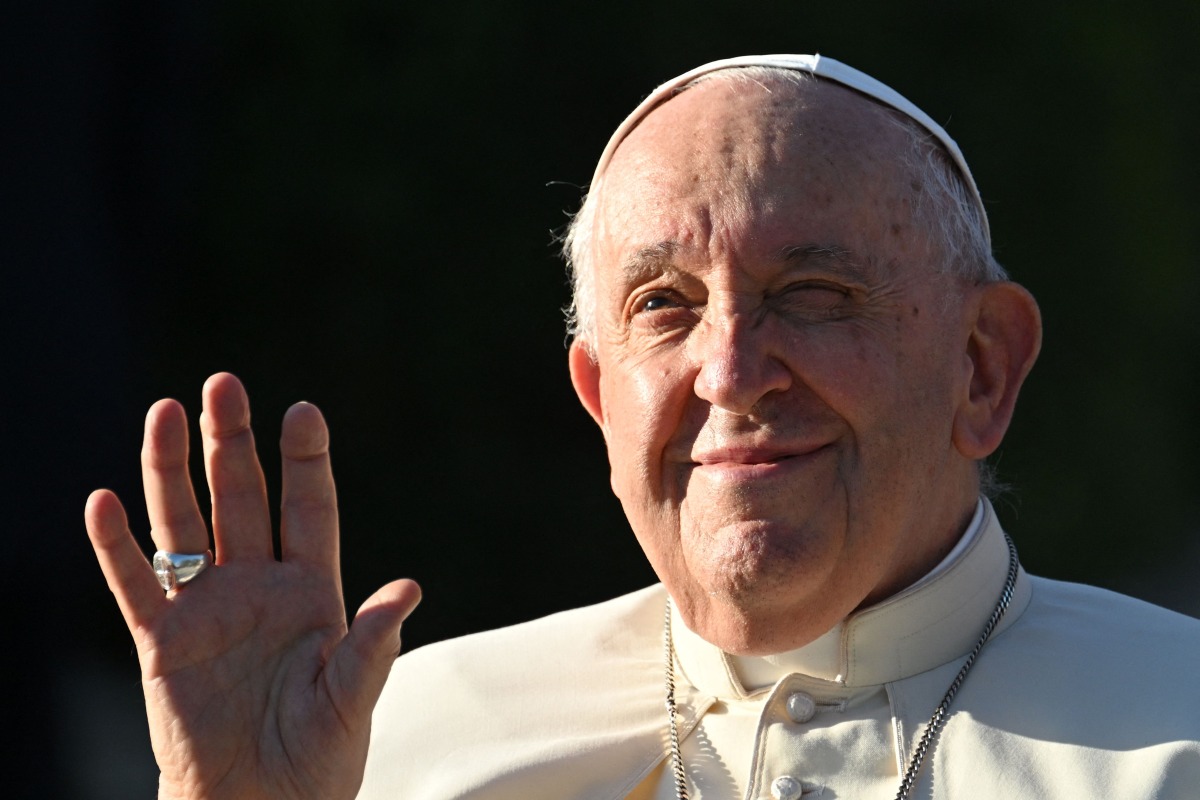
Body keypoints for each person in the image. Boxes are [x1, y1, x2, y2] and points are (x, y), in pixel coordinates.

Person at [86, 54, 1200, 799]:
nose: (730, 371)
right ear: (599, 392)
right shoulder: (392, 742)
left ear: (981, 366)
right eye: (664, 304)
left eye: (812, 292)